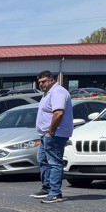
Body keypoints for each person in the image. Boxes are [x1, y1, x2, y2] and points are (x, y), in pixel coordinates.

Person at [32, 70, 73, 204]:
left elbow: (58, 113)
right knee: (43, 160)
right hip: (46, 134)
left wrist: (51, 131)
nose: (41, 84)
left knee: (54, 162)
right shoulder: (48, 93)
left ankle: (55, 193)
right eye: (39, 82)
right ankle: (47, 188)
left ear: (52, 80)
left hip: (56, 134)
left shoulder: (58, 92)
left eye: (44, 81)